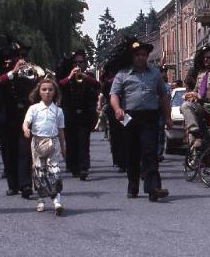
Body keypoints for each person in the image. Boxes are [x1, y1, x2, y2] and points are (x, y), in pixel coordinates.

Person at [110, 39, 172, 202]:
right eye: (137, 55)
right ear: (132, 56)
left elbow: (163, 95)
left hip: (149, 116)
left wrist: (168, 116)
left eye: (144, 55)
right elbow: (114, 94)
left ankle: (153, 188)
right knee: (132, 152)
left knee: (150, 151)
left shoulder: (154, 73)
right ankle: (133, 186)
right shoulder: (123, 74)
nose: (141, 57)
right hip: (129, 116)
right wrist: (117, 109)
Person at [0, 39, 36, 198]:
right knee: (8, 152)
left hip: (23, 116)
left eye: (23, 55)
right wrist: (13, 73)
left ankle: (25, 185)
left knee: (25, 151)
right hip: (4, 116)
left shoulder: (29, 69)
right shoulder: (1, 69)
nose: (21, 58)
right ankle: (13, 184)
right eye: (18, 55)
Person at [22, 78, 66, 215]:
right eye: (44, 89)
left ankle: (57, 201)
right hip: (37, 143)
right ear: (39, 92)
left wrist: (64, 148)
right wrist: (26, 129)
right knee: (39, 172)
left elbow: (61, 131)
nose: (47, 92)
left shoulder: (58, 111)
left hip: (53, 143)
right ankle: (41, 199)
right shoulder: (33, 108)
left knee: (54, 171)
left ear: (55, 92)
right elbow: (26, 123)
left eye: (50, 89)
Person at [58, 49, 100, 180]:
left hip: (85, 113)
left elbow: (99, 85)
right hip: (69, 113)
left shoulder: (89, 76)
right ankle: (73, 166)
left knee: (83, 141)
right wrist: (70, 77)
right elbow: (59, 86)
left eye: (80, 62)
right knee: (71, 141)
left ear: (84, 63)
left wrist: (87, 77)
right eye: (75, 62)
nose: (78, 65)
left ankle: (83, 168)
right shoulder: (68, 77)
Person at [180, 46, 210, 148]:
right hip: (203, 106)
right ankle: (196, 134)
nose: (205, 59)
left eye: (208, 57)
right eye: (204, 58)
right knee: (186, 106)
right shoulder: (201, 73)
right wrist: (192, 96)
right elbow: (196, 91)